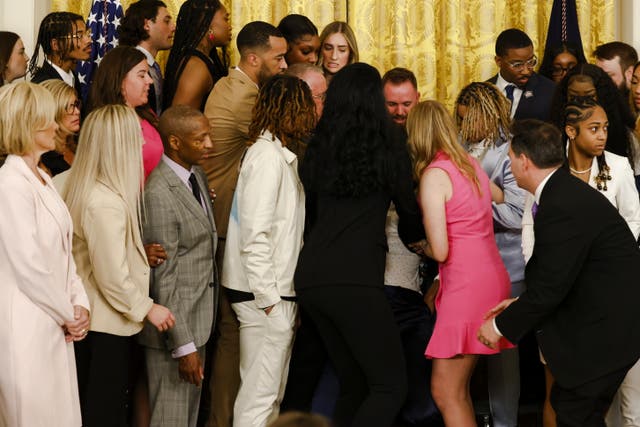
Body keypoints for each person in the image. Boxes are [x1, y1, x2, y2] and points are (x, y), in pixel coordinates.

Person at [478, 119, 640, 427]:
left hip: (605, 334)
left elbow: (551, 287)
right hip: (607, 328)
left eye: (510, 157)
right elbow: (562, 274)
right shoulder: (560, 193)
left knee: (572, 414)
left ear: (524, 161)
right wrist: (518, 304)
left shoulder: (560, 204)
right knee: (576, 413)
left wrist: (498, 327)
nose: (509, 164)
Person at [294, 63, 424, 427]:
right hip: (355, 278)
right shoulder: (389, 142)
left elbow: (311, 213)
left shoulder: (318, 144)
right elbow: (408, 208)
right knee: (390, 387)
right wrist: (421, 241)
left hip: (311, 277)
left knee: (355, 382)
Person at [523, 99, 640, 427]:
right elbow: (530, 230)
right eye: (594, 128)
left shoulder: (617, 167)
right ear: (570, 132)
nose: (603, 135)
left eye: (605, 128)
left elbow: (631, 221)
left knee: (616, 395)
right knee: (562, 394)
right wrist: (547, 278)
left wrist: (604, 270)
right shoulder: (550, 170)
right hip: (562, 304)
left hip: (608, 296)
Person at [62, 104, 175, 427]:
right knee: (104, 413)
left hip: (97, 324)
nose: (142, 144)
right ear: (117, 144)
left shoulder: (74, 184)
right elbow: (111, 276)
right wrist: (147, 307)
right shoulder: (105, 202)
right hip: (105, 326)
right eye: (134, 137)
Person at [202, 21, 287, 427]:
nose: (285, 65)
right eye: (279, 58)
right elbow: (287, 143)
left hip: (224, 222)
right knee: (233, 336)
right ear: (253, 59)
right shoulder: (247, 99)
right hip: (224, 228)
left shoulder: (229, 83)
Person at [406, 100, 513, 426]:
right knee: (458, 389)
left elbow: (440, 251)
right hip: (491, 275)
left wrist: (419, 244)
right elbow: (500, 198)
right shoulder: (468, 163)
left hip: (465, 285)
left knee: (445, 390)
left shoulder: (434, 175)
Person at [223, 74, 315, 427]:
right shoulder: (266, 158)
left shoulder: (275, 154)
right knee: (258, 399)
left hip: (271, 293)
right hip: (262, 295)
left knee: (269, 396)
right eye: (307, 106)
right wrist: (270, 301)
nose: (312, 114)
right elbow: (255, 235)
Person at [0, 81, 90, 427]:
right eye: (47, 120)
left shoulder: (42, 177)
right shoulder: (10, 183)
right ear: (26, 124)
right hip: (27, 324)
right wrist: (69, 313)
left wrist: (80, 304)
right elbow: (29, 266)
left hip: (55, 321)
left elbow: (66, 251)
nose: (56, 125)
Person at [139, 105, 218, 427]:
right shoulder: (159, 191)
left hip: (199, 318)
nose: (210, 145)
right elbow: (165, 278)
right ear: (174, 142)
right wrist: (183, 346)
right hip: (176, 330)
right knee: (170, 420)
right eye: (201, 139)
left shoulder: (195, 174)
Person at [454, 81, 527, 427]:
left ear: (488, 115)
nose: (464, 129)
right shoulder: (458, 146)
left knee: (502, 355)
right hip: (463, 269)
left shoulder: (511, 153)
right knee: (461, 351)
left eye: (470, 122)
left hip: (506, 268)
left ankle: (504, 422)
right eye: (461, 121)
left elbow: (515, 215)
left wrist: (470, 209)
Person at [87, 45, 162, 179]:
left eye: (148, 75)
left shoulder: (146, 113)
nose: (149, 81)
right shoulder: (108, 125)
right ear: (120, 80)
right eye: (142, 75)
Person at [549, 63, 635, 161]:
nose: (582, 104)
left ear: (603, 97)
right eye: (573, 98)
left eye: (589, 97)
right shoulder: (553, 137)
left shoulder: (626, 137)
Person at [163, 0, 231, 111]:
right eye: (226, 19)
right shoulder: (196, 67)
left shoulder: (205, 59)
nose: (229, 26)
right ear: (207, 24)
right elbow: (180, 119)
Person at [119, 0, 175, 116]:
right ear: (147, 25)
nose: (173, 27)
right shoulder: (130, 65)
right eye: (166, 21)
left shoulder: (153, 66)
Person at [487, 28, 556, 121]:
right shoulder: (482, 92)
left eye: (530, 62)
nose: (526, 71)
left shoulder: (550, 91)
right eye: (518, 65)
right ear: (499, 61)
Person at [29, 11, 91, 93]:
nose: (88, 40)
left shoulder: (72, 77)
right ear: (56, 45)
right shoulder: (42, 87)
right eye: (79, 36)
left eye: (87, 34)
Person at [39, 79, 81, 176]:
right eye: (70, 107)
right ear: (53, 112)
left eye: (76, 104)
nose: (77, 112)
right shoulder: (45, 159)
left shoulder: (77, 146)